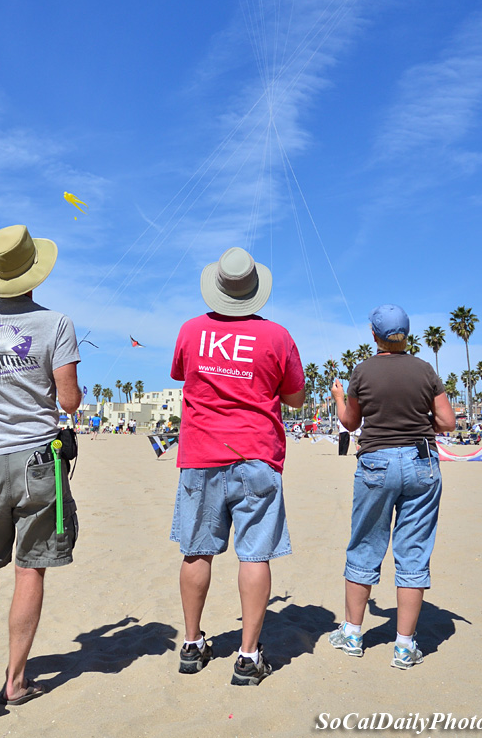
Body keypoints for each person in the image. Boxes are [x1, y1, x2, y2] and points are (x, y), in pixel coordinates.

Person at [0, 225, 81, 715]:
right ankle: (15, 681)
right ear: (34, 271)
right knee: (30, 568)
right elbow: (67, 399)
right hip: (35, 461)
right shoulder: (56, 323)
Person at [170, 247, 305, 686]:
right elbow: (295, 397)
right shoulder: (278, 337)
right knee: (255, 553)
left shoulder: (191, 330)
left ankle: (191, 645)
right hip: (257, 453)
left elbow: (181, 374)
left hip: (201, 453)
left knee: (197, 549)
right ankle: (247, 656)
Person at [329, 304, 455, 669]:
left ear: (374, 335)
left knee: (366, 543)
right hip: (421, 461)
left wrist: (340, 398)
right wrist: (417, 420)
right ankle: (403, 646)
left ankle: (352, 634)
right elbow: (446, 421)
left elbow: (351, 422)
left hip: (376, 462)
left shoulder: (363, 371)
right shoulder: (424, 369)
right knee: (413, 551)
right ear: (407, 335)